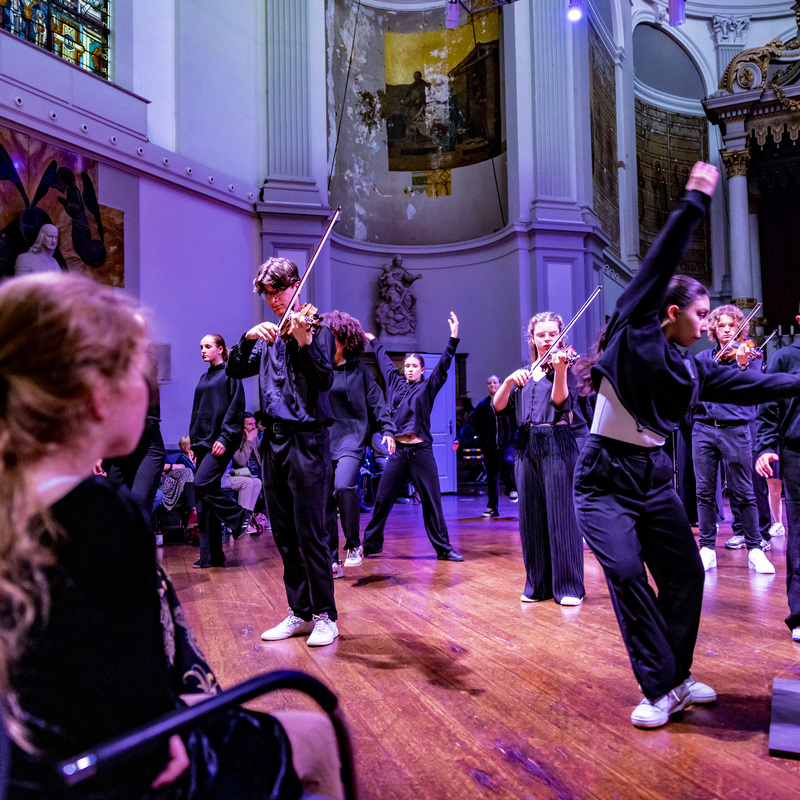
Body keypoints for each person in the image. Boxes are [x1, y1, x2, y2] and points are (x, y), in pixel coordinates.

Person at [0, 273, 307, 799]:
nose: (147, 384)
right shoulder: (97, 515)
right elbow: (143, 723)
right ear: (97, 395)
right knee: (315, 732)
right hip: (101, 772)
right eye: (137, 368)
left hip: (33, 763)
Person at [572, 161, 800, 730]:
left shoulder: (688, 369)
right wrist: (694, 201)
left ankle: (675, 676)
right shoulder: (634, 330)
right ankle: (660, 686)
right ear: (670, 314)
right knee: (625, 573)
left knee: (685, 575)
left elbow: (749, 381)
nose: (707, 325)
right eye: (700, 315)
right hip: (603, 479)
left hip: (652, 477)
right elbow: (659, 264)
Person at [226, 257, 339, 647]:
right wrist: (247, 339)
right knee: (285, 533)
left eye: (279, 291)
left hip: (307, 440)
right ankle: (299, 611)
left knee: (312, 531)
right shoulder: (269, 337)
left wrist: (305, 343)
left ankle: (326, 616)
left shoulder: (316, 328)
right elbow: (235, 370)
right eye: (268, 294)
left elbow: (325, 379)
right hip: (271, 442)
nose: (274, 300)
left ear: (295, 286)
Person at [492, 314, 587, 606]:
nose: (547, 339)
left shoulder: (565, 368)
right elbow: (498, 406)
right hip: (526, 445)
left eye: (552, 334)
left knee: (561, 515)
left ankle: (570, 587)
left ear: (561, 336)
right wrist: (507, 381)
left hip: (557, 442)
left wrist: (559, 372)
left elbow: (560, 403)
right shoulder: (523, 373)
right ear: (531, 337)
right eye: (541, 334)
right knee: (530, 517)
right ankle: (538, 585)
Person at [361, 312, 464, 561]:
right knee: (383, 499)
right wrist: (374, 341)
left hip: (420, 451)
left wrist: (453, 337)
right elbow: (384, 362)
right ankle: (371, 544)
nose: (409, 369)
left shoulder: (428, 386)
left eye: (414, 366)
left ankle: (444, 548)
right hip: (398, 451)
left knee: (431, 501)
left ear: (421, 370)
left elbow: (443, 365)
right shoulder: (395, 383)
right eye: (406, 366)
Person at [692, 304, 774, 572]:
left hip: (736, 428)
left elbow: (751, 388)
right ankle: (706, 548)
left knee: (744, 491)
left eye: (731, 325)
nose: (727, 330)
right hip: (703, 428)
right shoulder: (704, 357)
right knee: (704, 492)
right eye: (722, 325)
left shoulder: (751, 356)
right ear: (713, 329)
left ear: (740, 327)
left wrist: (740, 366)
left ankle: (754, 547)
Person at [322, 310, 395, 576]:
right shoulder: (320, 369)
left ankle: (353, 545)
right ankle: (331, 560)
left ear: (345, 339)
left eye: (334, 337)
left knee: (343, 485)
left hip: (352, 437)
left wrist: (387, 429)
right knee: (324, 502)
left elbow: (377, 401)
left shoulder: (359, 372)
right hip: (323, 438)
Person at [756, 304, 800, 642]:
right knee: (799, 532)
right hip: (797, 453)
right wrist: (765, 446)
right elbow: (768, 408)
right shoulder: (785, 358)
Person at [189, 333, 247, 568]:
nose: (203, 350)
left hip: (220, 442)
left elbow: (236, 409)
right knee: (203, 502)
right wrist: (193, 443)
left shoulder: (231, 374)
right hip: (202, 443)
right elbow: (197, 412)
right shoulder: (204, 377)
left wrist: (225, 437)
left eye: (208, 346)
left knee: (201, 484)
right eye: (201, 346)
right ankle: (211, 556)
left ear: (221, 349)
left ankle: (240, 517)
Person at [454, 374, 517, 517]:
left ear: (500, 384)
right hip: (490, 446)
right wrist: (460, 439)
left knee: (508, 461)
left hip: (508, 442)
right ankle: (492, 508)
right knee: (492, 477)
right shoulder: (483, 405)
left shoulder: (509, 403)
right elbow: (472, 424)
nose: (492, 385)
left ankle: (512, 488)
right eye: (489, 383)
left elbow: (517, 420)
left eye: (495, 383)